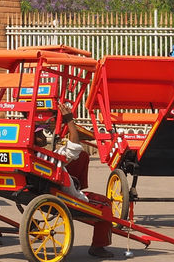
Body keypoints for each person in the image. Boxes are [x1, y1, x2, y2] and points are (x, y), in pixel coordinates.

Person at [51, 102, 116, 258]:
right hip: (65, 194)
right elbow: (74, 144)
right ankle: (98, 246)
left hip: (46, 185)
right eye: (40, 136)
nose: (42, 137)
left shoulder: (40, 155)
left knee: (83, 156)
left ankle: (79, 186)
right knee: (106, 204)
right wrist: (70, 120)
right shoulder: (50, 157)